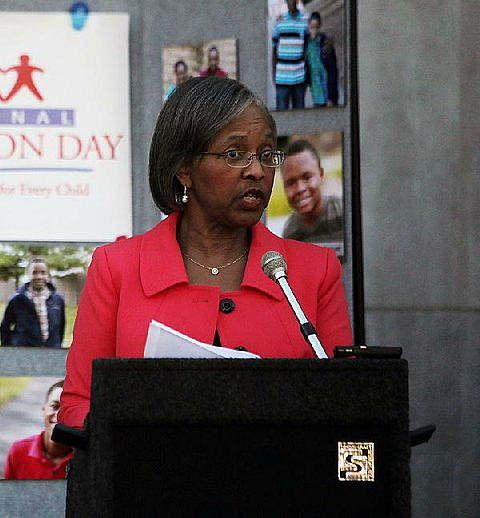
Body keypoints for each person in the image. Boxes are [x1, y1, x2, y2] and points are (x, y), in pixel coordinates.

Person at [59, 77, 352, 429]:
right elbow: (78, 405)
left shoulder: (314, 272)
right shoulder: (116, 269)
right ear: (185, 168)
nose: (257, 170)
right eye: (234, 154)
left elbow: (344, 405)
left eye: (266, 154)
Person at [4, 380, 73, 479]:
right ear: (43, 409)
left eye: (67, 409)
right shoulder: (18, 451)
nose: (59, 416)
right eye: (54, 406)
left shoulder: (85, 458)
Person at [280, 139, 344, 244]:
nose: (300, 189)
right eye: (291, 183)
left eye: (307, 177)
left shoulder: (342, 213)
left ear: (321, 174)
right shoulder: (290, 233)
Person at [0, 257, 66, 347]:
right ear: (28, 275)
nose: (39, 277)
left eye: (43, 272)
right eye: (34, 273)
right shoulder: (17, 300)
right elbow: (4, 328)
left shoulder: (58, 300)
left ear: (47, 275)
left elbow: (60, 328)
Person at [272, 0, 308, 110]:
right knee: (282, 119)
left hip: (299, 78)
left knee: (299, 118)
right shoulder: (280, 22)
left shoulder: (304, 21)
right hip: (282, 79)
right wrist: (274, 75)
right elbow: (274, 49)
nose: (291, 1)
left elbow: (307, 48)